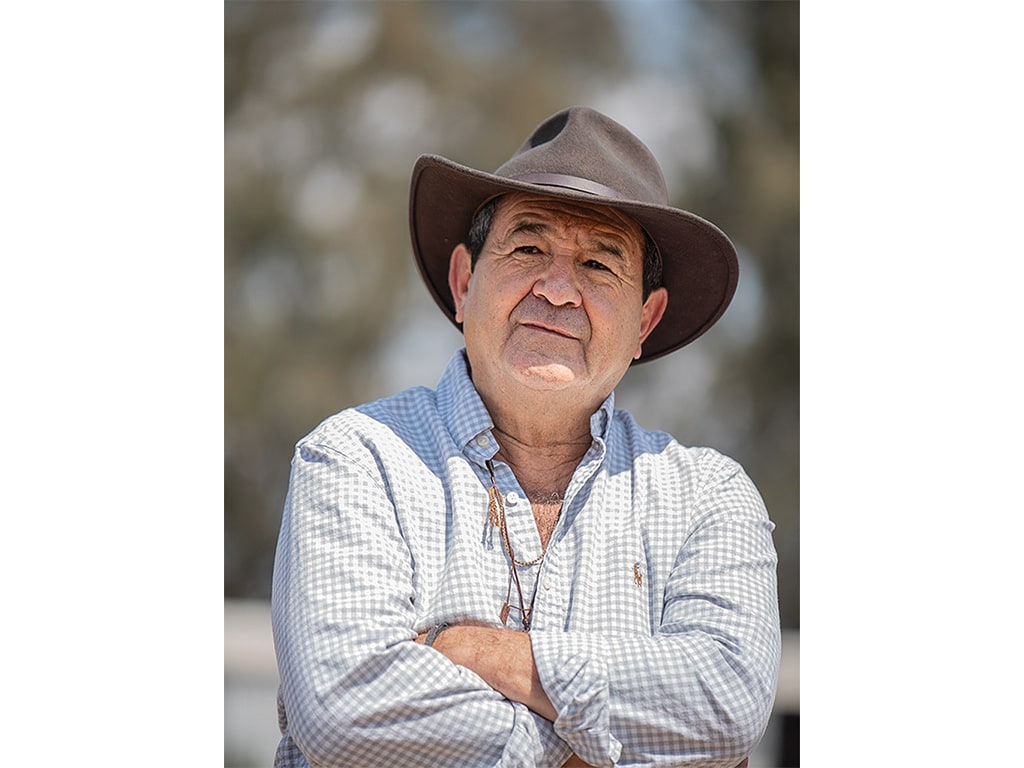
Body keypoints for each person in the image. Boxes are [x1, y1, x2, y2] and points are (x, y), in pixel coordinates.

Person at [270, 106, 780, 768]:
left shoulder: (708, 496)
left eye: (599, 264)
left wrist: (488, 654)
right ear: (463, 283)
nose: (559, 288)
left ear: (646, 322)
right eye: (529, 247)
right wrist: (585, 751)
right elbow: (345, 711)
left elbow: (725, 705)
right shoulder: (356, 458)